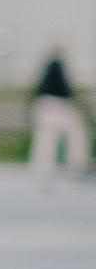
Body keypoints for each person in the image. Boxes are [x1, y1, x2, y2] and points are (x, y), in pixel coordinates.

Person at [29, 47, 88, 179]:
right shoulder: (57, 65)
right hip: (58, 104)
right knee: (76, 133)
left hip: (45, 103)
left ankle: (43, 168)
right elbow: (64, 88)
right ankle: (76, 165)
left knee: (46, 138)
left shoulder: (48, 67)